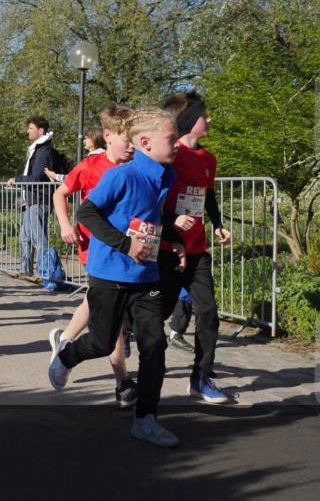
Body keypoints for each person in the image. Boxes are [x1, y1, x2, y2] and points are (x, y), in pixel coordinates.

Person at [48, 107, 187, 447]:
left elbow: (154, 216)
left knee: (154, 344)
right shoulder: (121, 176)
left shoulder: (166, 175)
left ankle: (146, 419)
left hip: (146, 276)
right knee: (102, 341)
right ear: (145, 142)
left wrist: (175, 240)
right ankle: (66, 355)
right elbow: (86, 212)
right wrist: (125, 245)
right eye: (171, 139)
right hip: (109, 272)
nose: (178, 145)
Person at [49, 103, 137, 408]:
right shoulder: (89, 167)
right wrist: (64, 224)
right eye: (129, 138)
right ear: (109, 136)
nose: (134, 145)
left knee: (95, 305)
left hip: (130, 253)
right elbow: (60, 193)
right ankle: (122, 382)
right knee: (112, 318)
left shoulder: (137, 165)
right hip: (97, 249)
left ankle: (64, 343)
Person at [159, 90, 234, 404]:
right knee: (153, 316)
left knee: (209, 313)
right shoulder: (169, 155)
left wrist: (217, 224)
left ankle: (201, 377)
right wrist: (173, 219)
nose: (210, 119)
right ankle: (137, 367)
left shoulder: (208, 158)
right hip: (166, 249)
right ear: (189, 121)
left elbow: (208, 194)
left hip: (196, 251)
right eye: (205, 115)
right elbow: (152, 199)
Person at [8, 115, 69, 281]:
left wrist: (17, 180)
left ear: (40, 131)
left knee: (38, 238)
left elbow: (36, 177)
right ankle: (26, 271)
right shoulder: (37, 149)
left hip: (39, 199)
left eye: (31, 128)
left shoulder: (44, 151)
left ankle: (48, 273)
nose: (28, 131)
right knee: (25, 237)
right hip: (32, 200)